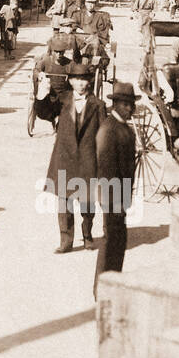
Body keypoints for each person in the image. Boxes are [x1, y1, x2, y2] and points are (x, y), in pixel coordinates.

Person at [46, 60, 105, 253]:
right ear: (70, 81)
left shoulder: (98, 105)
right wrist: (41, 96)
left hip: (88, 158)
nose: (80, 84)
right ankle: (66, 240)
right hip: (65, 157)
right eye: (76, 80)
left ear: (89, 82)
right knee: (64, 202)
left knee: (87, 201)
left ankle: (87, 235)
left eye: (83, 80)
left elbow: (103, 133)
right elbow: (45, 111)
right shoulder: (62, 100)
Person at [94, 82, 138, 288]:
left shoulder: (124, 129)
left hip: (121, 197)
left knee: (119, 243)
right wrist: (117, 202)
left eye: (131, 105)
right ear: (115, 105)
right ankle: (102, 287)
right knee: (111, 242)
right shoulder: (109, 129)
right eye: (124, 104)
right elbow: (106, 170)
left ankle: (111, 284)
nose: (129, 109)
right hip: (112, 198)